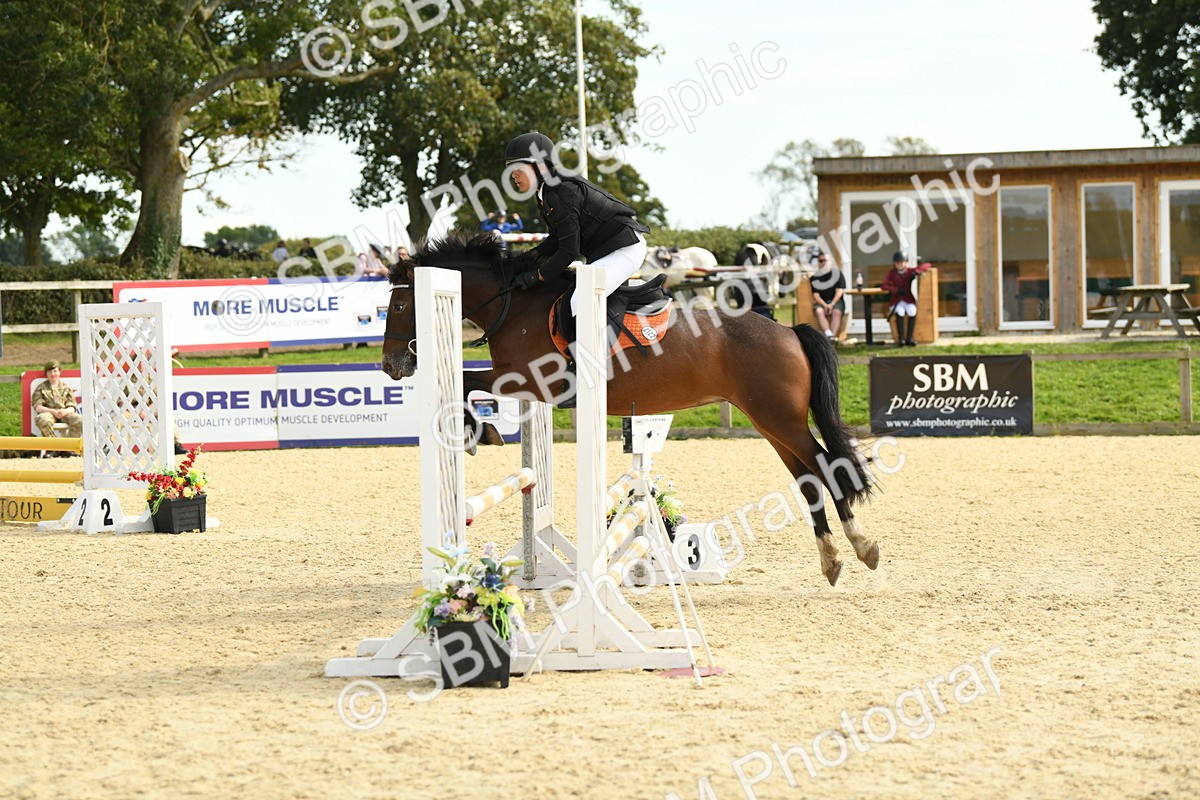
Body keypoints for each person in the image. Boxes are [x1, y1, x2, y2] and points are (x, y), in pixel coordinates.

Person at [504, 131, 650, 408]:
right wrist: (525, 260)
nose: (513, 174)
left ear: (539, 165)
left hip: (624, 250)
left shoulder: (561, 192)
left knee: (579, 299)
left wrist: (537, 275)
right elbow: (556, 241)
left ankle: (581, 375)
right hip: (606, 250)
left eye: (517, 167)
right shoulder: (546, 192)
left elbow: (569, 252)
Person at [31, 360, 82, 452]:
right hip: (49, 412)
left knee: (79, 420)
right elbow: (38, 407)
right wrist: (53, 411)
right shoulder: (41, 388)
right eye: (50, 372)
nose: (53, 374)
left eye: (55, 371)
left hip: (64, 412)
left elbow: (72, 406)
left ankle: (68, 448)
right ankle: (54, 448)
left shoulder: (66, 387)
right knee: (42, 419)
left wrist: (64, 412)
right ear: (46, 374)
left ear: (59, 372)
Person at [881, 251, 930, 346]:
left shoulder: (909, 271)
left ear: (906, 262)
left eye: (902, 262)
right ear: (894, 263)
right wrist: (896, 290)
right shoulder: (892, 273)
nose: (899, 265)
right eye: (897, 263)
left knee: (912, 311)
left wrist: (916, 272)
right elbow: (884, 285)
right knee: (900, 311)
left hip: (908, 299)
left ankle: (909, 338)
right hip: (896, 300)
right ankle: (901, 339)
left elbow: (927, 265)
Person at [810, 252, 845, 341]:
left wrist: (832, 304)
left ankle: (832, 338)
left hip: (836, 302)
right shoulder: (815, 277)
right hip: (821, 302)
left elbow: (839, 291)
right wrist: (825, 305)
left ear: (830, 261)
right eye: (820, 261)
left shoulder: (837, 274)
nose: (823, 263)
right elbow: (816, 295)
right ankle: (828, 334)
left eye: (825, 260)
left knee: (836, 312)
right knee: (819, 311)